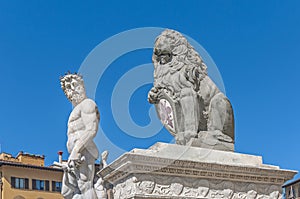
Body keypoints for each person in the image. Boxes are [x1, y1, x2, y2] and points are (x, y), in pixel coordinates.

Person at [60, 72, 100, 199]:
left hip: (83, 150)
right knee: (72, 191)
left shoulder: (87, 104)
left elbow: (91, 129)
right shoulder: (76, 110)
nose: (73, 91)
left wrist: (76, 150)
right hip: (76, 154)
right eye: (69, 88)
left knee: (85, 186)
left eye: (76, 86)